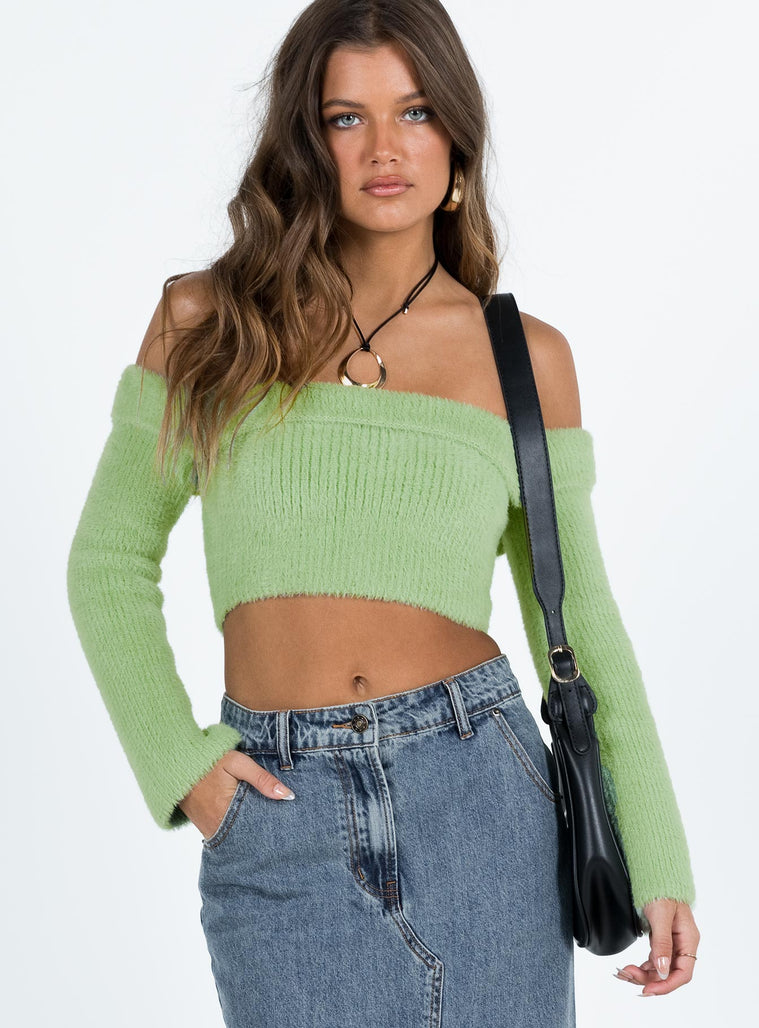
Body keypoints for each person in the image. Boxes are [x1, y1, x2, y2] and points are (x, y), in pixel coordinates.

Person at [66, 1, 699, 1024]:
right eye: (345, 118)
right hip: (278, 814)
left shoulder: (523, 358)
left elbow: (578, 619)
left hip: (481, 798)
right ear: (305, 141)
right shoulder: (207, 322)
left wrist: (658, 853)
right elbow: (107, 560)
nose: (384, 149)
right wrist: (185, 770)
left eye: (414, 111)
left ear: (456, 136)